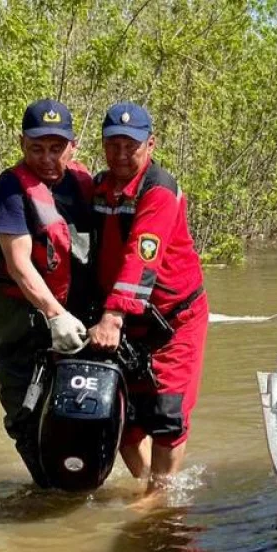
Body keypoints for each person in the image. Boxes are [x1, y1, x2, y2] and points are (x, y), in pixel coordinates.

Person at [87, 102, 209, 493]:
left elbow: (143, 253)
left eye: (132, 146)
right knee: (121, 416)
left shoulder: (159, 189)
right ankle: (149, 488)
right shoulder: (99, 187)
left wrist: (112, 317)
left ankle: (159, 496)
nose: (122, 155)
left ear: (150, 144)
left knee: (167, 414)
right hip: (127, 320)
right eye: (113, 145)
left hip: (174, 320)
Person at [0, 99, 95, 485]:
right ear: (21, 143)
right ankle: (47, 491)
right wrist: (54, 314)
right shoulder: (10, 191)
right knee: (26, 413)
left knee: (82, 407)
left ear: (73, 147)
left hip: (75, 314)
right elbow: (18, 263)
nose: (46, 158)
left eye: (56, 148)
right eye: (37, 148)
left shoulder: (83, 183)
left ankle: (80, 486)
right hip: (18, 321)